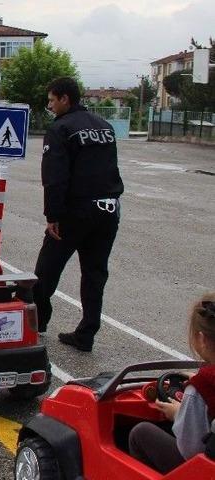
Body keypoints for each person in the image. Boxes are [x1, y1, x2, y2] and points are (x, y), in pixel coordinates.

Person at [33, 76, 124, 352]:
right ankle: (86, 334)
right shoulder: (105, 127)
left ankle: (37, 322)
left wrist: (52, 215)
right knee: (95, 274)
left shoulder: (60, 128)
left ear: (65, 99)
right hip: (108, 209)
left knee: (46, 269)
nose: (50, 106)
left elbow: (55, 176)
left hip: (76, 211)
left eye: (52, 100)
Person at [129, 294, 215, 474]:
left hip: (203, 471)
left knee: (140, 433)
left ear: (201, 338)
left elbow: (191, 450)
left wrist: (177, 414)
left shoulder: (201, 387)